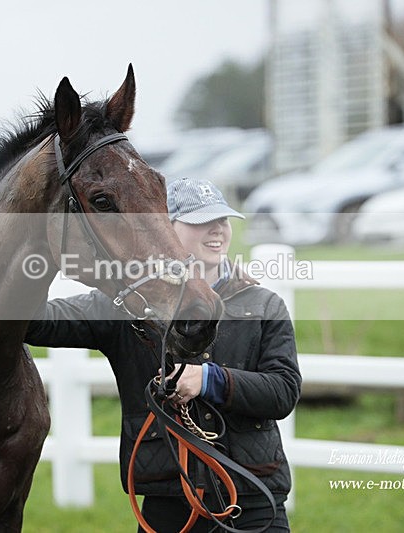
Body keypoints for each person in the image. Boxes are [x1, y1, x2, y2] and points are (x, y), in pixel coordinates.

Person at [26, 178, 301, 532]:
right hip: (170, 506)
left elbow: (283, 392)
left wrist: (209, 380)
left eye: (222, 220)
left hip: (253, 501)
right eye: (202, 221)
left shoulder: (264, 304)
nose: (217, 230)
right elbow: (36, 323)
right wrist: (38, 252)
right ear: (164, 230)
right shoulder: (123, 305)